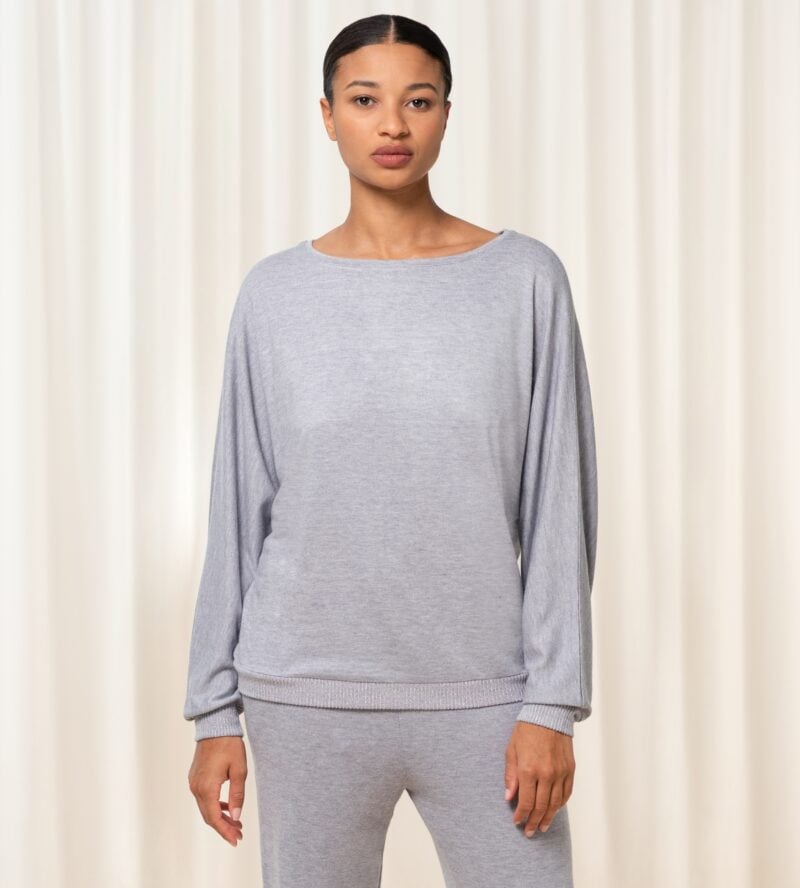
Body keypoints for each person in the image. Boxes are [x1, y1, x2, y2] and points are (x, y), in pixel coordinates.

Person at [184, 13, 598, 888]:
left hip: (488, 698)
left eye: (419, 100)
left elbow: (559, 504)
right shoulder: (274, 296)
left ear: (447, 113)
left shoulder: (524, 281)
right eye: (365, 100)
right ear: (328, 116)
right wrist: (214, 710)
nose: (393, 125)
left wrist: (552, 703)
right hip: (303, 694)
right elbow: (238, 507)